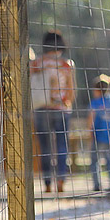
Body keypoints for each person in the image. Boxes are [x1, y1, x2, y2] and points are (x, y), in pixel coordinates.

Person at [30, 30, 76, 193]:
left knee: (45, 147)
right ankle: (61, 180)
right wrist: (66, 101)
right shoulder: (66, 64)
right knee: (62, 145)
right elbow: (71, 89)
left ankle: (47, 182)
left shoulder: (37, 63)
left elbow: (31, 84)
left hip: (42, 107)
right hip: (62, 108)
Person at [88, 74, 110, 192]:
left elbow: (90, 119)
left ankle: (97, 185)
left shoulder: (95, 103)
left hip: (97, 136)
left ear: (97, 90)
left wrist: (90, 131)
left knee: (95, 162)